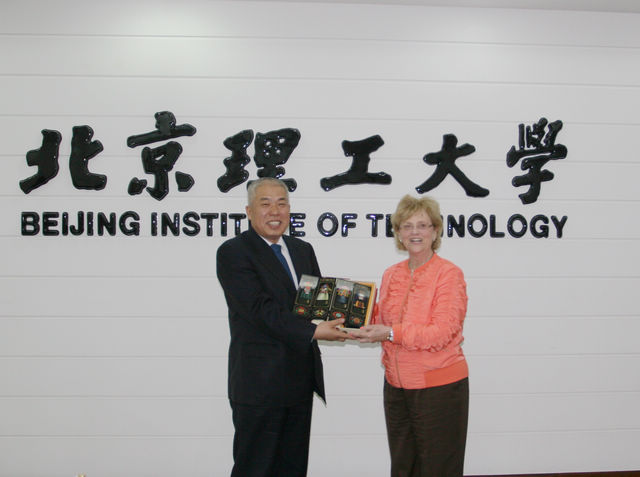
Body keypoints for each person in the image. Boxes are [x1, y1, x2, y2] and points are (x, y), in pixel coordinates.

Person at [216, 177, 349, 477]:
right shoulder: (234, 252)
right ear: (249, 211)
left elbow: (316, 303)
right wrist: (314, 332)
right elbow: (259, 310)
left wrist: (351, 315)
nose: (275, 211)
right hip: (259, 385)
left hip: (299, 381)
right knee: (255, 467)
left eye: (282, 203)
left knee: (293, 468)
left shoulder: (302, 249)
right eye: (265, 204)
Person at [350, 194, 469, 477]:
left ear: (435, 231)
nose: (415, 232)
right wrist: (353, 322)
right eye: (407, 226)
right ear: (399, 233)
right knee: (403, 466)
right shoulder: (391, 274)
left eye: (423, 225)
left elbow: (442, 332)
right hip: (396, 386)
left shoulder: (449, 274)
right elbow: (381, 321)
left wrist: (391, 332)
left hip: (439, 387)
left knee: (438, 469)